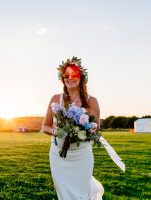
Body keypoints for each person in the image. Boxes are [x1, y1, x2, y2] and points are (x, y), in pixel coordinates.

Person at [42, 56, 104, 200]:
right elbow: (45, 126)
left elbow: (96, 129)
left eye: (74, 74)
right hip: (59, 155)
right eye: (66, 75)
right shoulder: (55, 99)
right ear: (62, 78)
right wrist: (56, 131)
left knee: (82, 192)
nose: (70, 78)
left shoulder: (91, 101)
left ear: (81, 77)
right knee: (64, 194)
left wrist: (86, 131)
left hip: (82, 155)